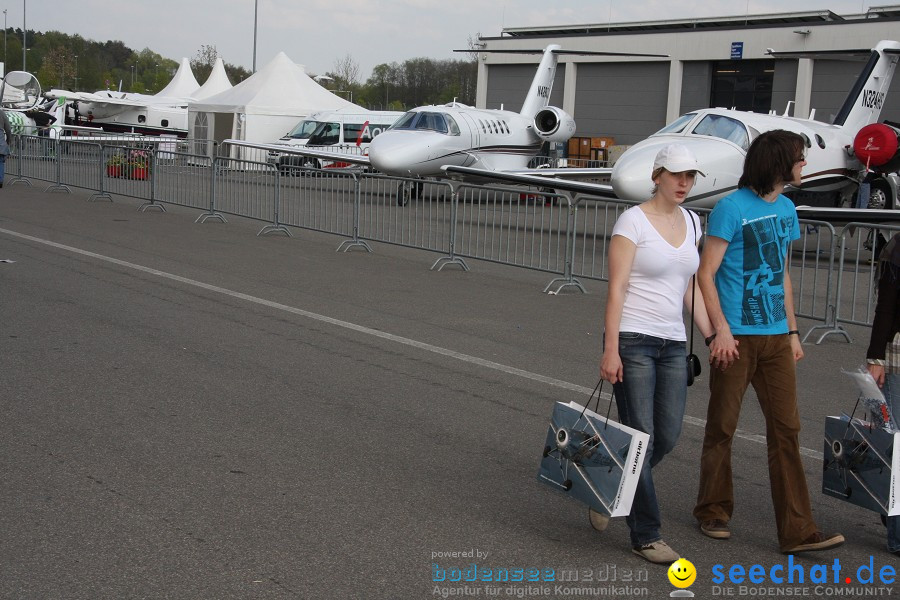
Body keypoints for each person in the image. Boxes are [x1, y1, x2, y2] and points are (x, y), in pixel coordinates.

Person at [692, 129, 844, 553]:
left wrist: (792, 331)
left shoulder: (788, 209)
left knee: (787, 432)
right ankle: (713, 510)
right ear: (778, 163)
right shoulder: (730, 208)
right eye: (799, 158)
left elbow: (781, 274)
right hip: (735, 337)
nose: (804, 165)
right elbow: (706, 273)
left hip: (776, 338)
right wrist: (720, 329)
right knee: (722, 426)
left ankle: (797, 532)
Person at [598, 143, 714, 564]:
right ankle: (646, 533)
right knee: (641, 435)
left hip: (673, 343)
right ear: (657, 175)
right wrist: (611, 349)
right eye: (677, 175)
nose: (684, 183)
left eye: (690, 176)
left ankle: (610, 484)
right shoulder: (632, 222)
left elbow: (689, 286)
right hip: (633, 339)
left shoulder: (693, 222)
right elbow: (618, 288)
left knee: (666, 435)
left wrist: (712, 332)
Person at [865, 233, 900, 556]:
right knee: (897, 446)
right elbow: (886, 308)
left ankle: (890, 513)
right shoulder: (897, 247)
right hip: (897, 358)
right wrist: (876, 358)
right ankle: (897, 533)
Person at [0, 109, 12, 188]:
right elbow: (8, 129)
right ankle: (0, 181)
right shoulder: (2, 113)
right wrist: (8, 140)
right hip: (0, 143)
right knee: (0, 162)